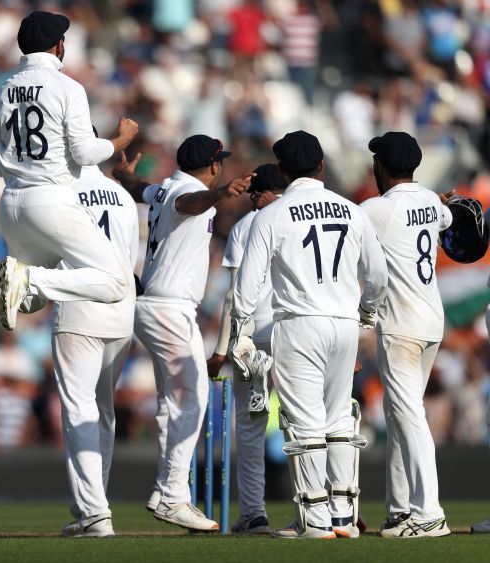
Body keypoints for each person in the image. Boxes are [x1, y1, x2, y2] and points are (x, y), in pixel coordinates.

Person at [232, 130, 388, 540]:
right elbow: (378, 276)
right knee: (339, 418)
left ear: (282, 171)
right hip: (343, 323)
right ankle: (343, 517)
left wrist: (240, 333)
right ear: (321, 166)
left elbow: (246, 288)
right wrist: (366, 312)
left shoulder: (271, 214)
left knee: (304, 423)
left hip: (298, 323)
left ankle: (315, 521)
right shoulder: (352, 211)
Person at [112, 134, 250, 532]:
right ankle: (173, 495)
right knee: (193, 397)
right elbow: (186, 205)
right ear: (213, 166)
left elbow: (142, 189)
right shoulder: (188, 191)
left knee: (172, 403)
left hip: (155, 306)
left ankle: (164, 490)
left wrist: (123, 175)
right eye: (219, 163)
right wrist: (221, 193)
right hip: (170, 308)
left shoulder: (166, 184)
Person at [0, 10, 139, 331]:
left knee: (28, 301)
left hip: (11, 205)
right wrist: (120, 140)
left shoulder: (2, 92)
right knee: (116, 282)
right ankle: (22, 274)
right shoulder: (67, 87)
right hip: (51, 200)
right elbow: (84, 152)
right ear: (58, 46)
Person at [361, 132, 454, 538]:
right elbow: (449, 217)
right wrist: (442, 205)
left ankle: (429, 512)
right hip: (431, 320)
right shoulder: (432, 201)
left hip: (401, 325)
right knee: (401, 414)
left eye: (376, 161)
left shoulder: (379, 209)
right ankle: (401, 510)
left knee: (409, 416)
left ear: (381, 166)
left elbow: (338, 220)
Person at [53, 158, 140, 538]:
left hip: (79, 308)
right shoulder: (121, 194)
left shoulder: (59, 192)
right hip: (121, 311)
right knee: (103, 409)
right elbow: (130, 259)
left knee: (79, 408)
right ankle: (93, 504)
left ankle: (93, 511)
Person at [207, 163, 288, 534]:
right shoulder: (302, 216)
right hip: (294, 333)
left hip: (253, 336)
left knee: (252, 426)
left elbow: (234, 295)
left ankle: (254, 512)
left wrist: (221, 349)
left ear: (258, 194)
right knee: (307, 421)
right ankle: (329, 507)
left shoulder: (246, 226)